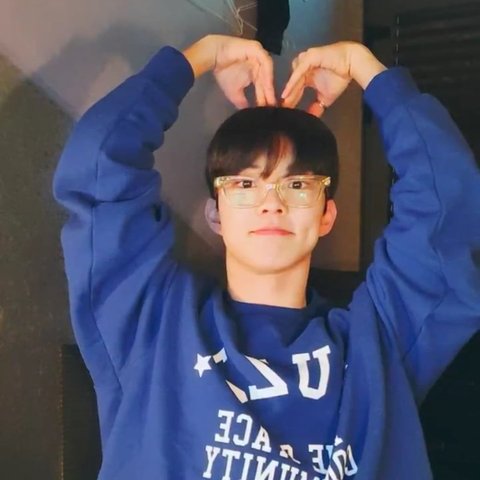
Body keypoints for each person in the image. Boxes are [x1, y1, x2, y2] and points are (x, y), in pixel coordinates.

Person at [52, 34, 480, 479]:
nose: (271, 203)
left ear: (326, 214)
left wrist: (365, 66)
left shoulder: (380, 342)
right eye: (244, 185)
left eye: (297, 185)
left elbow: (447, 207)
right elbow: (99, 166)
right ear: (215, 214)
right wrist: (199, 58)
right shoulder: (153, 321)